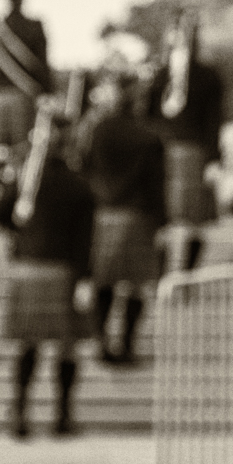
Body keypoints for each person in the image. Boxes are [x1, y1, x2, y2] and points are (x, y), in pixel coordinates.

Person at [0, 103, 95, 439]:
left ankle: (20, 413)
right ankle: (62, 416)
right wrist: (85, 279)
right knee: (66, 348)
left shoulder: (25, 177)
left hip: (28, 269)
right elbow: (84, 242)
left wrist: (17, 234)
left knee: (27, 346)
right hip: (61, 271)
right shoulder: (78, 185)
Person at [81, 73, 165, 365]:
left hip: (103, 215)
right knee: (134, 285)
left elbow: (85, 168)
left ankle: (102, 343)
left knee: (103, 283)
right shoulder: (149, 136)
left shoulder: (99, 130)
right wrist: (160, 221)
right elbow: (156, 185)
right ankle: (126, 345)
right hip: (137, 216)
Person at [146, 15, 224, 270]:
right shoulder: (159, 77)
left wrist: (213, 160)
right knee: (162, 218)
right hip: (162, 154)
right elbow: (147, 119)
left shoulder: (208, 78)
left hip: (194, 154)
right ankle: (161, 275)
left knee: (193, 222)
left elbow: (215, 121)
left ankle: (186, 276)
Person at [0, 0, 52, 155]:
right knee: (22, 152)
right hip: (23, 97)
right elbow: (42, 66)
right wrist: (47, 92)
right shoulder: (35, 27)